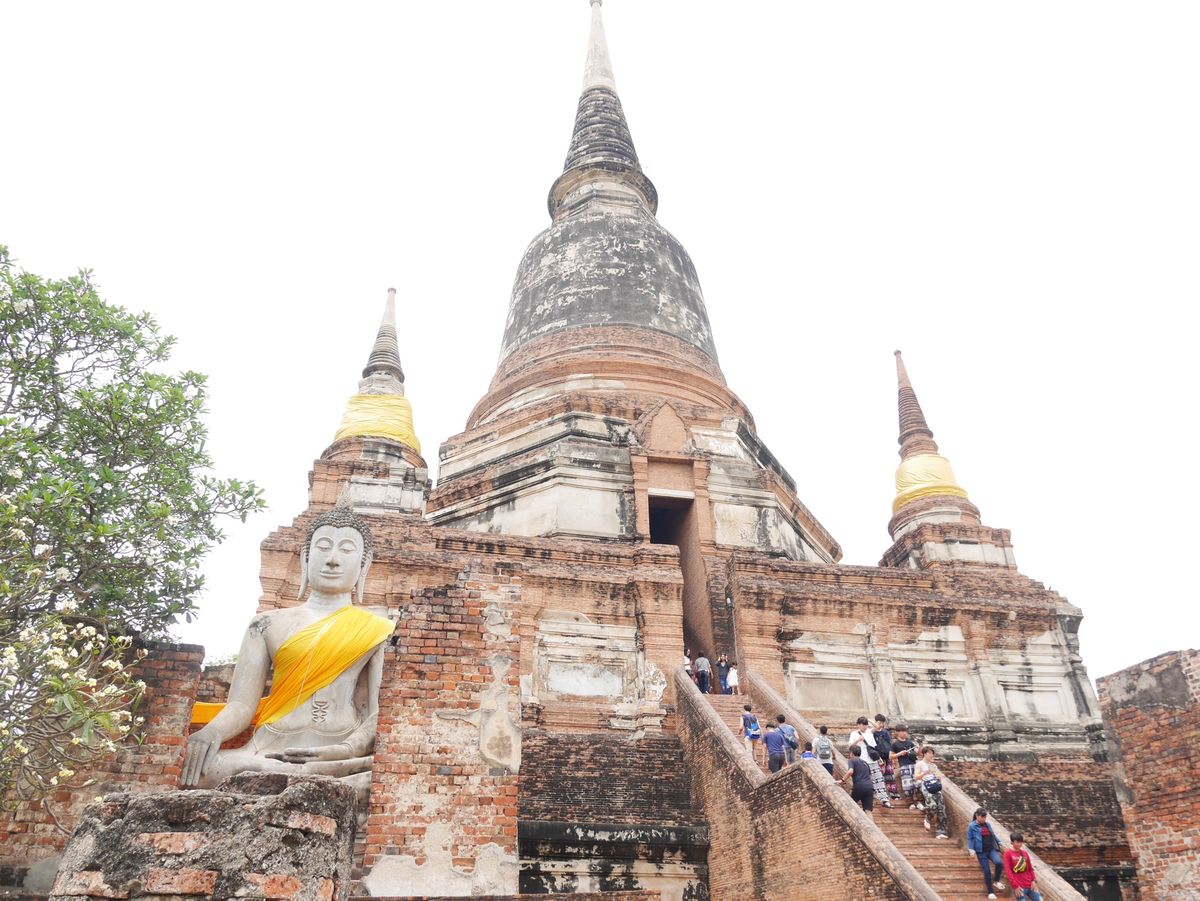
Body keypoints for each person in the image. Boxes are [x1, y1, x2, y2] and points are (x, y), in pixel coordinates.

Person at [182, 501, 395, 807]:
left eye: (347, 550)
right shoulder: (267, 624)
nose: (333, 560)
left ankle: (301, 778)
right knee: (201, 769)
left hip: (339, 756)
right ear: (306, 557)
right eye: (323, 547)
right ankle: (288, 777)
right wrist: (211, 731)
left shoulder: (380, 630)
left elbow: (378, 714)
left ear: (364, 565)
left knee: (380, 780)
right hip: (266, 749)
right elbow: (241, 705)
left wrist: (344, 750)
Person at [848, 716, 892, 807]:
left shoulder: (869, 732)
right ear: (858, 725)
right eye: (863, 725)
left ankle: (884, 799)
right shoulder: (854, 734)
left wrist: (868, 719)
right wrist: (858, 740)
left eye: (866, 725)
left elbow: (877, 727)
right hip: (862, 761)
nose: (865, 727)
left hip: (872, 759)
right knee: (864, 780)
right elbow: (850, 747)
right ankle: (867, 799)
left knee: (879, 780)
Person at [968, 808, 1006, 899]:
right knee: (987, 871)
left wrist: (1000, 842)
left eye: (985, 817)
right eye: (982, 817)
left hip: (991, 849)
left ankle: (996, 881)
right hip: (981, 852)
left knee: (999, 863)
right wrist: (971, 850)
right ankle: (990, 892)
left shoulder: (987, 824)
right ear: (977, 816)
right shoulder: (972, 826)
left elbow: (993, 835)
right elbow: (970, 838)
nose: (984, 819)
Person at [914, 746, 948, 839]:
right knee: (932, 806)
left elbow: (939, 775)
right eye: (929, 753)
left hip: (936, 787)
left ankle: (941, 831)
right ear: (924, 754)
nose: (931, 755)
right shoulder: (919, 764)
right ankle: (927, 818)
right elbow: (916, 777)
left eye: (932, 753)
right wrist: (924, 773)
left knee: (941, 809)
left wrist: (939, 776)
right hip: (926, 787)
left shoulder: (933, 765)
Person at [1003, 832, 1043, 901]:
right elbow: (1008, 872)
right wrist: (1015, 886)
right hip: (1019, 886)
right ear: (1012, 842)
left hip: (1030, 884)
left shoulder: (1024, 853)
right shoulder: (1008, 854)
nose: (1019, 844)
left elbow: (1030, 868)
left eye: (1021, 842)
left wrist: (1033, 881)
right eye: (1017, 842)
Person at [887, 724, 919, 808]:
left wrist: (919, 748)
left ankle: (918, 802)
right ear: (897, 732)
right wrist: (900, 754)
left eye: (905, 731)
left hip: (913, 765)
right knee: (907, 785)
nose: (904, 733)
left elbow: (917, 752)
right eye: (902, 731)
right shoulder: (895, 744)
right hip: (904, 766)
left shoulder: (910, 742)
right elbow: (890, 756)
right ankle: (910, 803)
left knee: (917, 784)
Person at [840, 745, 875, 814]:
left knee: (850, 806)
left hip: (859, 786)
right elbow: (870, 776)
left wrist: (842, 780)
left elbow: (850, 771)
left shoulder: (852, 760)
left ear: (852, 753)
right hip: (869, 787)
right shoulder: (865, 763)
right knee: (868, 810)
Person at [873, 714, 897, 799]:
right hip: (878, 757)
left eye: (882, 723)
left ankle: (893, 794)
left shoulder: (885, 732)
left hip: (887, 756)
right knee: (878, 776)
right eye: (879, 722)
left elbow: (890, 743)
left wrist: (891, 754)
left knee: (890, 775)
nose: (881, 724)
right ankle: (879, 794)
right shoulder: (872, 732)